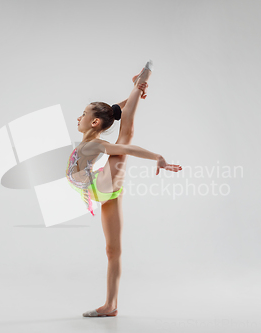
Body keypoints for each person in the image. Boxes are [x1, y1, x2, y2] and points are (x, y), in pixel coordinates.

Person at [65, 60, 182, 317]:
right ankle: (111, 305)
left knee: (126, 137)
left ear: (94, 123)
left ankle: (110, 304)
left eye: (83, 114)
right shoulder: (91, 139)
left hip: (102, 187)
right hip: (106, 193)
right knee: (112, 250)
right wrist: (135, 92)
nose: (78, 117)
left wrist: (157, 157)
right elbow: (113, 114)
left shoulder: (92, 146)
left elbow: (127, 148)